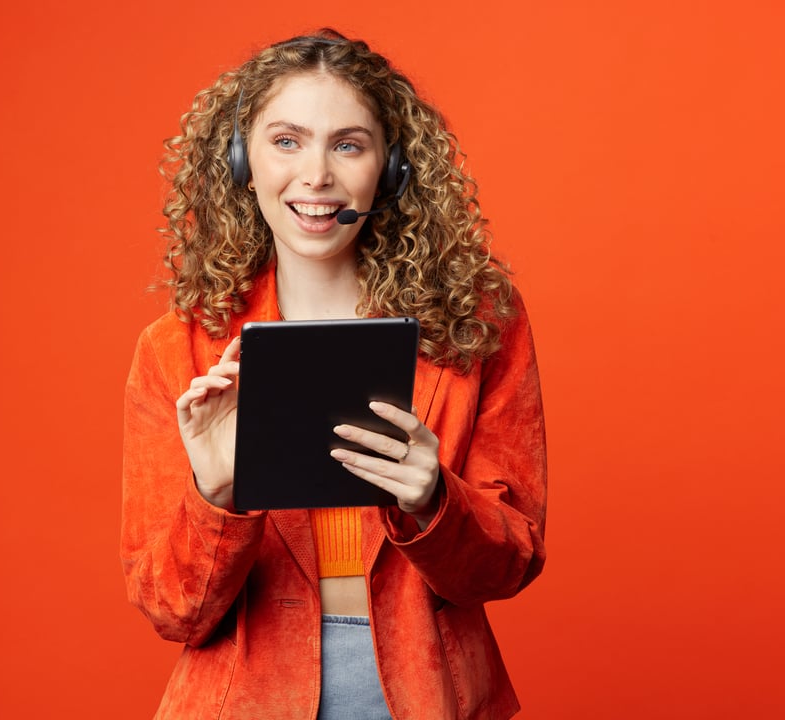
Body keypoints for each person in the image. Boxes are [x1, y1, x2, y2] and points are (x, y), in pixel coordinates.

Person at [121, 29, 547, 720]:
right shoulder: (175, 351)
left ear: (392, 168)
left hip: (425, 691)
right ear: (241, 161)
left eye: (348, 144)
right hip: (248, 699)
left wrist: (435, 501)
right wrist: (216, 493)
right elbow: (173, 610)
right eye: (286, 141)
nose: (316, 175)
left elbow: (510, 562)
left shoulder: (480, 325)